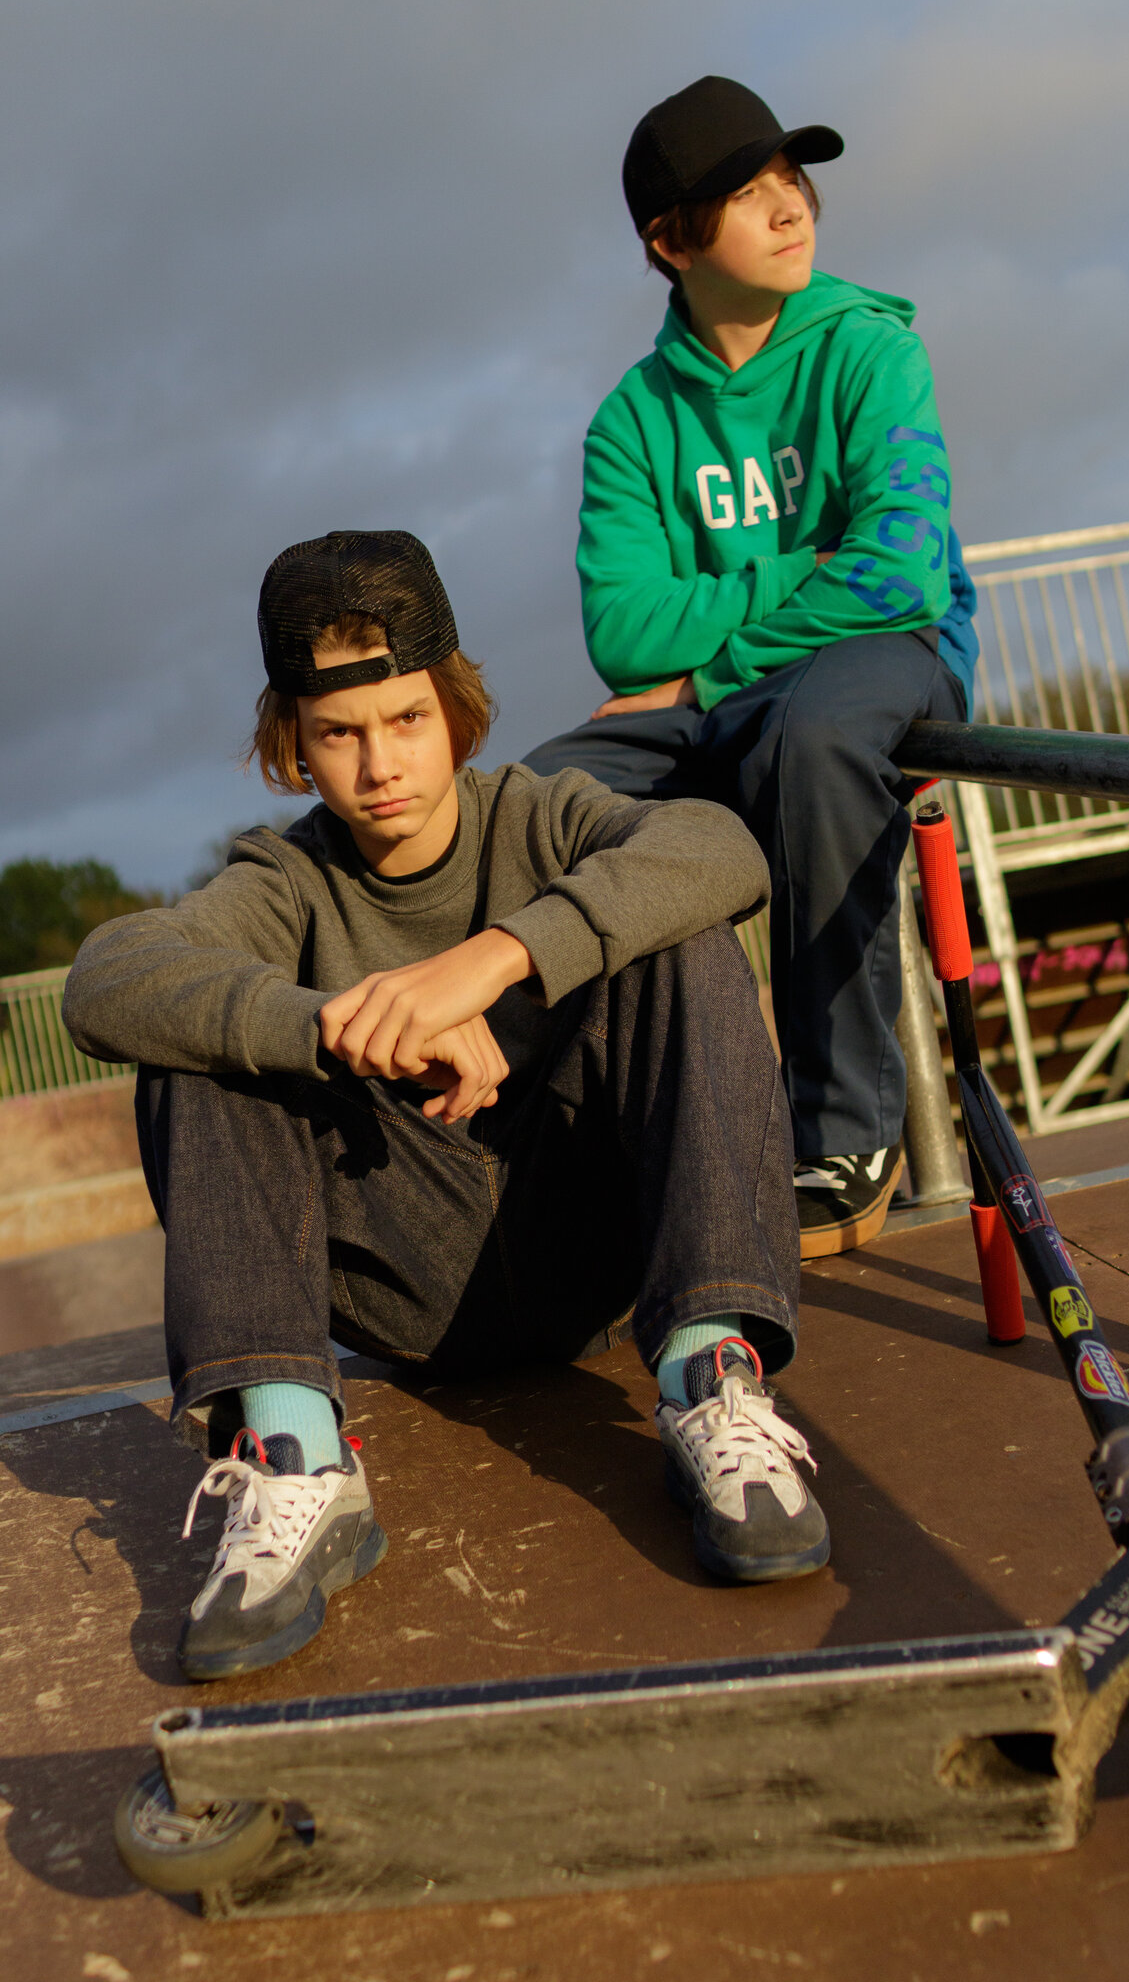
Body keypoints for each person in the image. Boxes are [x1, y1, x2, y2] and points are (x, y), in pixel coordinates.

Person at [63, 528, 830, 1682]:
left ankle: (710, 1377)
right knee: (196, 1037)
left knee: (679, 934)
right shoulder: (283, 882)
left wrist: (491, 961)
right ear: (294, 743)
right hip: (403, 1271)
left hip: (590, 1238)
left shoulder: (539, 815)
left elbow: (719, 846)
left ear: (456, 709)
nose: (382, 764)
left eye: (407, 718)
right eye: (340, 733)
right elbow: (105, 978)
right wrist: (342, 1027)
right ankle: (295, 1456)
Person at [525, 75, 981, 1261]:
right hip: (738, 690)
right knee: (546, 797)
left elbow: (896, 574)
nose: (789, 207)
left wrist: (709, 667)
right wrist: (795, 574)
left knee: (812, 738)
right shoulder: (633, 421)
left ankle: (844, 1132)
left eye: (792, 178)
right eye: (745, 192)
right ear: (671, 242)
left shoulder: (871, 349)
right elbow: (625, 632)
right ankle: (637, 1145)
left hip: (886, 658)